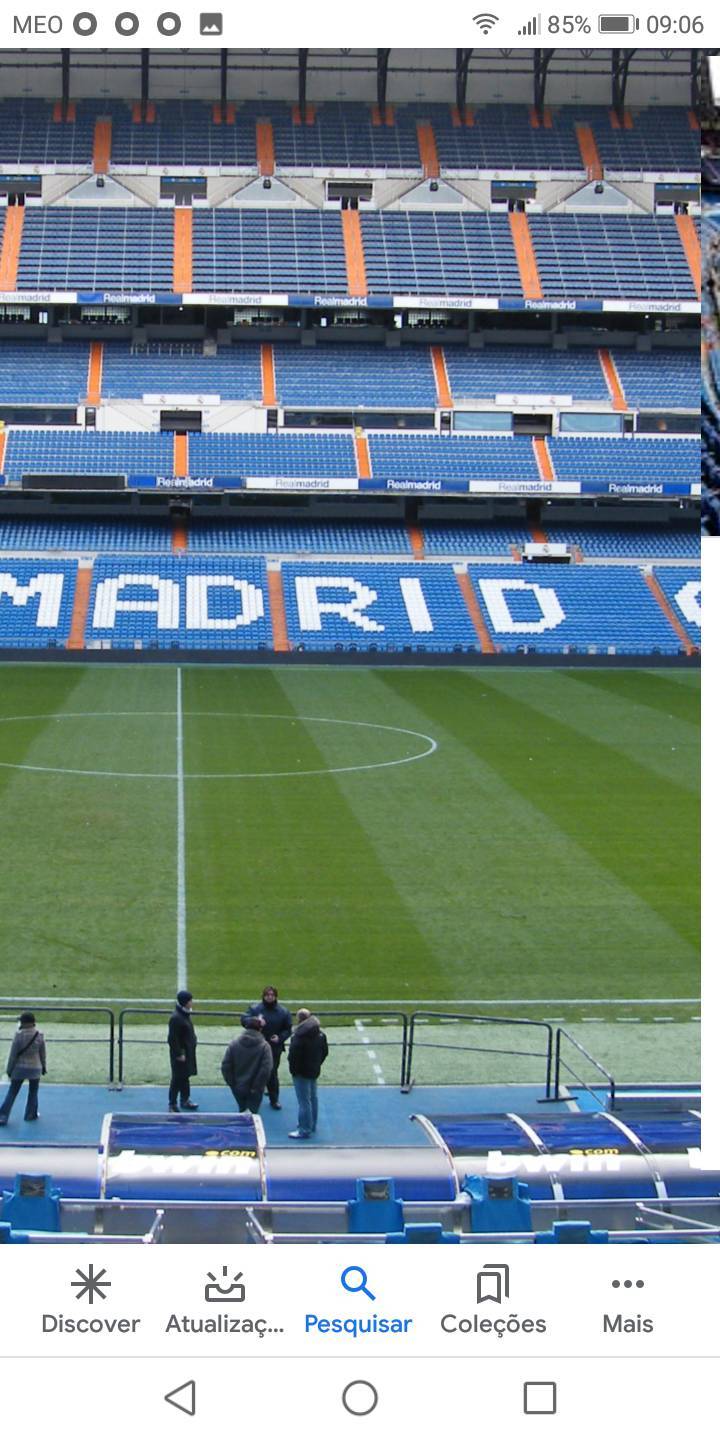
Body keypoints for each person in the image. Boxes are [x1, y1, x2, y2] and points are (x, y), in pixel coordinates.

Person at [243, 986, 293, 1110]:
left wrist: (280, 1038)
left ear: (276, 996)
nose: (269, 997)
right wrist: (255, 1020)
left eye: (272, 995)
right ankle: (251, 1099)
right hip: (256, 1046)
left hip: (274, 1047)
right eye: (267, 995)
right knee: (254, 1072)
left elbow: (288, 1029)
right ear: (263, 996)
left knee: (272, 1074)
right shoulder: (255, 1009)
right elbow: (244, 1019)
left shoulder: (283, 1012)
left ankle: (274, 1099)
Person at [287, 1008, 329, 1140]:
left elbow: (293, 1057)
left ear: (299, 1020)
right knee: (312, 1098)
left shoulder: (298, 1037)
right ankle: (312, 1124)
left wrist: (294, 1071)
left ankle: (304, 1129)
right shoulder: (320, 1034)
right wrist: (316, 1064)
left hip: (301, 1073)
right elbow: (325, 1052)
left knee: (304, 1102)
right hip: (313, 1070)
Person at [0, 1011, 46, 1126]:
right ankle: (30, 1114)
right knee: (33, 1092)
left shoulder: (18, 1035)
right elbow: (42, 1054)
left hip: (19, 1068)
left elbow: (13, 1055)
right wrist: (43, 1066)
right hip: (35, 1068)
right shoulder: (39, 1035)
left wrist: (9, 1070)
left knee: (12, 1092)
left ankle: (3, 1116)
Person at [221, 1018, 274, 1114]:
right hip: (255, 1090)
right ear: (260, 1029)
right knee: (253, 1115)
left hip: (238, 1086)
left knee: (242, 1111)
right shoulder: (264, 1046)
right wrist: (257, 1087)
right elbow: (266, 1069)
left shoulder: (234, 1044)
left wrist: (232, 1083)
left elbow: (226, 1066)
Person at [167, 989, 199, 1113]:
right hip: (181, 1055)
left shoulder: (183, 1014)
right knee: (177, 1079)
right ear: (185, 1002)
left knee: (185, 1077)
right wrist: (179, 1054)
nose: (192, 1003)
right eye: (190, 1000)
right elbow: (172, 1039)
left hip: (187, 1052)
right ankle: (172, 1104)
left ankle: (185, 1100)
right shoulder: (176, 1018)